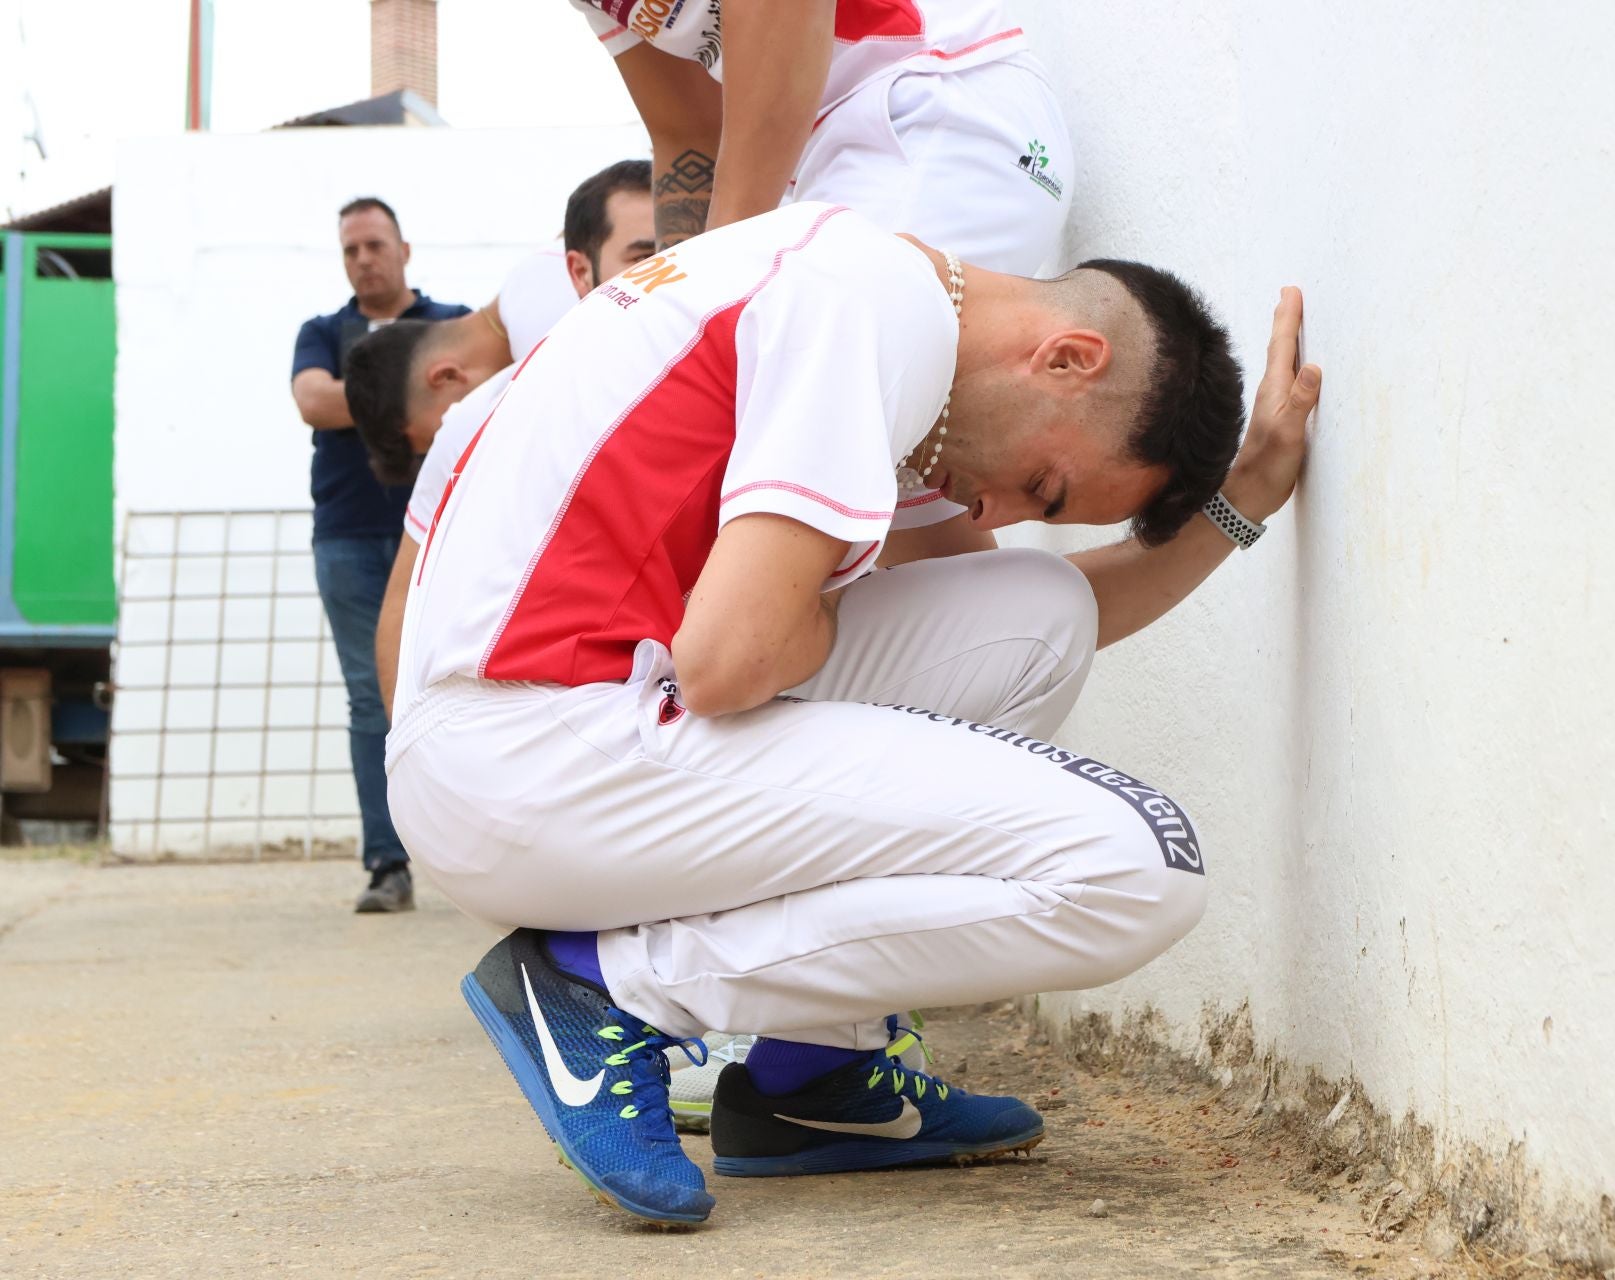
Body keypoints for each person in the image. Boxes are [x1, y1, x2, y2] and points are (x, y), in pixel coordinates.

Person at [384, 200, 1322, 1222]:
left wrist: (1240, 502)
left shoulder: (860, 283)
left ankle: (813, 1078)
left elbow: (989, 631)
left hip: (537, 730)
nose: (995, 511)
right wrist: (795, 611)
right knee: (1138, 872)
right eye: (1044, 486)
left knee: (1037, 616)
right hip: (534, 750)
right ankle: (615, 983)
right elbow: (730, 660)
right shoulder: (868, 309)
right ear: (1066, 359)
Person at [565, 0, 1073, 269]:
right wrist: (681, 293)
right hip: (829, 157)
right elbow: (689, 133)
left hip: (927, 103)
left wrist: (719, 277)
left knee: (812, 384)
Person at [290, 197, 468, 914]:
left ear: (404, 249)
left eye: (374, 245)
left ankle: (475, 856)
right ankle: (387, 863)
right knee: (371, 697)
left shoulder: (450, 321)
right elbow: (312, 402)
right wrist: (409, 388)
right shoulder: (321, 331)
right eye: (350, 250)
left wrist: (355, 396)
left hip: (447, 536)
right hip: (349, 539)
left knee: (469, 687)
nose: (363, 259)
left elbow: (476, 396)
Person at [343, 159, 658, 493]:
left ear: (446, 376)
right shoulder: (529, 280)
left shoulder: (539, 343)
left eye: (445, 434)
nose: (465, 444)